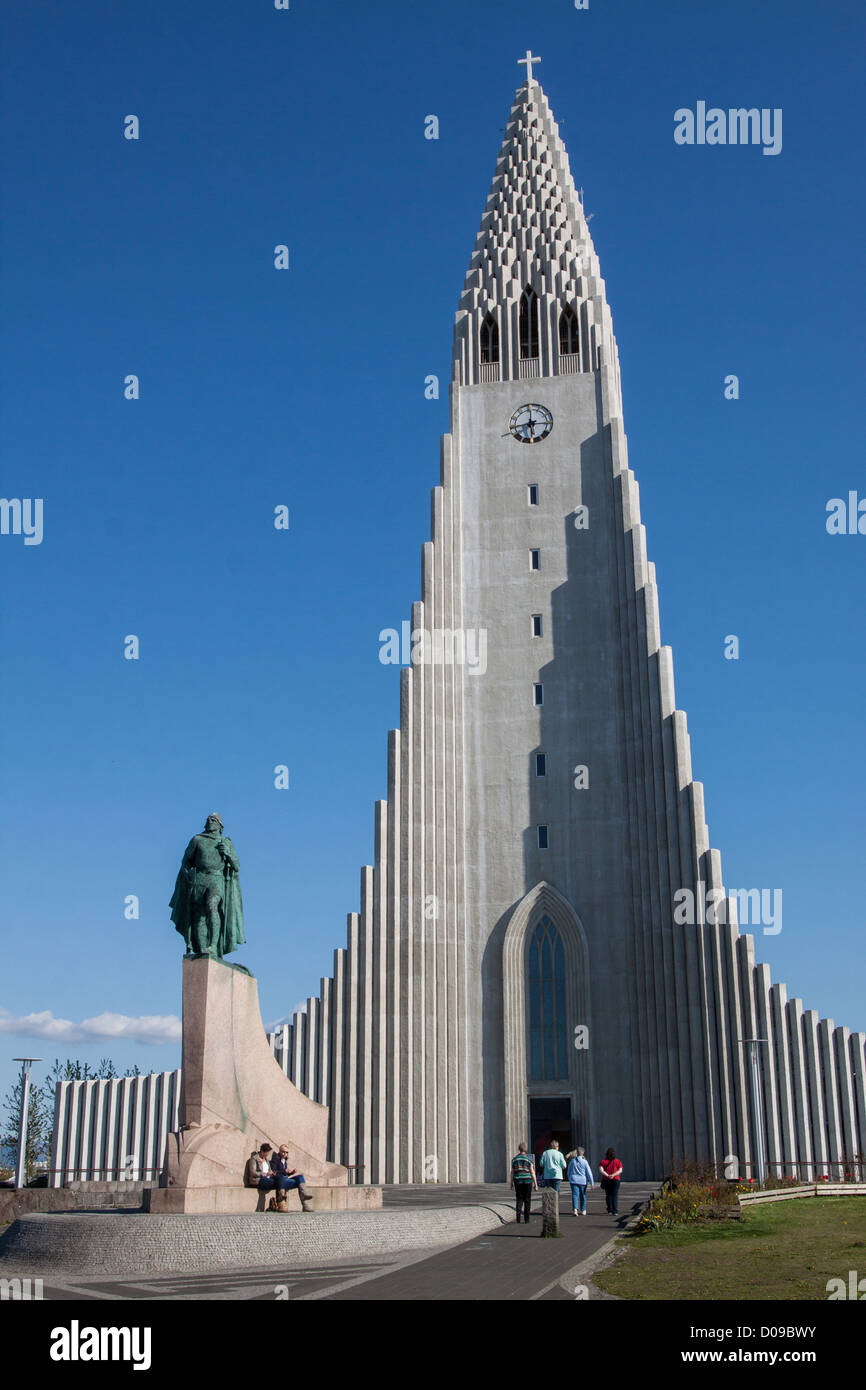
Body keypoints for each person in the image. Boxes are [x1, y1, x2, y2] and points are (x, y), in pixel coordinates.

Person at [270, 1144, 314, 1212]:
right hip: (279, 1182)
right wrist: (284, 1171)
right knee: (288, 1179)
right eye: (283, 1152)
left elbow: (286, 1174)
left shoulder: (285, 1161)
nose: (285, 1154)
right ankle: (303, 1201)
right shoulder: (276, 1159)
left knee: (300, 1177)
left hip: (285, 1180)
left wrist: (292, 1172)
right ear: (280, 1152)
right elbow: (274, 1172)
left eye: (286, 1152)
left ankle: (305, 1201)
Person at [510, 1141, 538, 1223]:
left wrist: (511, 1183)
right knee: (527, 1200)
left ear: (519, 1149)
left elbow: (512, 1172)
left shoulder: (514, 1160)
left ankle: (518, 1217)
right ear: (526, 1149)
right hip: (527, 1181)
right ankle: (527, 1219)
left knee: (519, 1199)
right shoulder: (528, 1160)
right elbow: (532, 1172)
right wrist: (535, 1184)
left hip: (517, 1180)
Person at [566, 1147, 594, 1215]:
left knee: (575, 1195)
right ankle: (583, 1209)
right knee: (583, 1195)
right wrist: (591, 1183)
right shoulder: (585, 1162)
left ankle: (575, 1209)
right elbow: (589, 1173)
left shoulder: (572, 1161)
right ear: (583, 1153)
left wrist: (570, 1178)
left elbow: (568, 1171)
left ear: (577, 1153)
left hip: (574, 1180)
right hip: (582, 1181)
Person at [599, 1147, 623, 1215]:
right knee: (614, 1195)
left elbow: (601, 1170)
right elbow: (620, 1170)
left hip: (606, 1180)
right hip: (615, 1179)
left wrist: (607, 1175)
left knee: (608, 1195)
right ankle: (615, 1210)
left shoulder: (603, 1161)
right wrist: (613, 1175)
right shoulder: (617, 1161)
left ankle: (609, 1209)